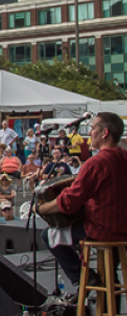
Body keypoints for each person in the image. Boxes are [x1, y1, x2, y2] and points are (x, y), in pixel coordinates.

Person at [38, 113, 127, 299]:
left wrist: (42, 209)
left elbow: (69, 202)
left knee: (48, 235)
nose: (90, 133)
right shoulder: (123, 156)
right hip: (122, 229)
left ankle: (83, 278)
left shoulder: (97, 163)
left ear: (105, 132)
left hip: (102, 229)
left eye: (93, 128)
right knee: (110, 271)